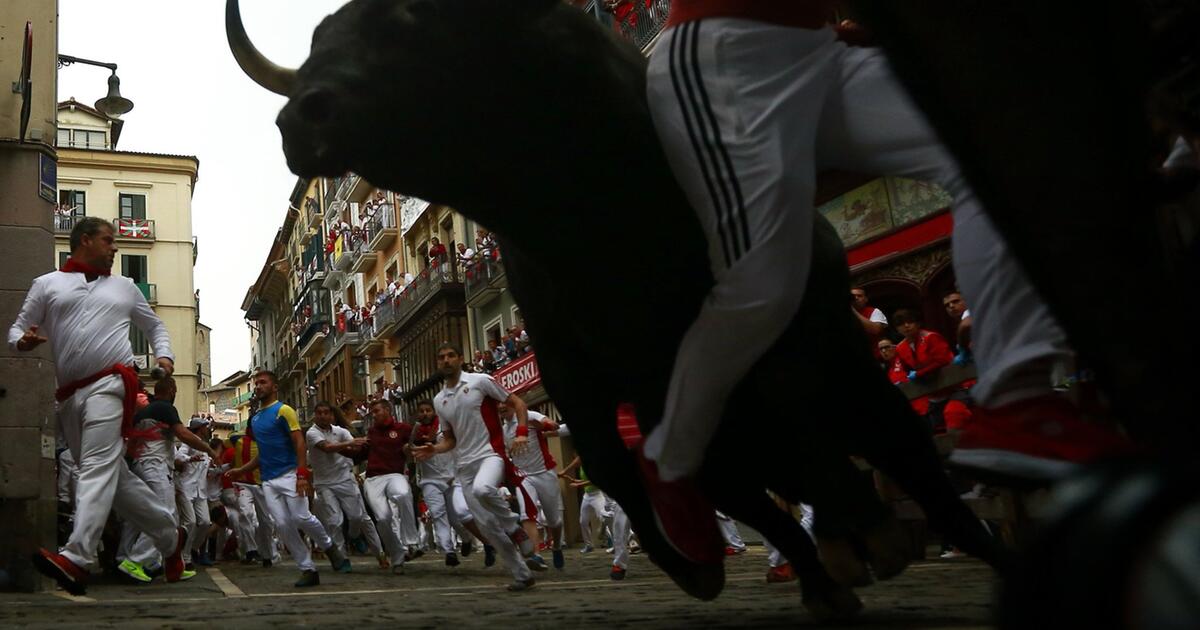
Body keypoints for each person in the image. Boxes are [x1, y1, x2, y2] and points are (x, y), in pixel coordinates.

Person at [636, 1, 1122, 561]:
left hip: (817, 47)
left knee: (1002, 147)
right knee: (763, 287)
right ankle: (671, 457)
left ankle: (1018, 396)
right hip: (724, 58)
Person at [9, 217, 187, 594]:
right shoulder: (47, 284)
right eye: (108, 240)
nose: (115, 247)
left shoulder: (124, 287)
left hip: (111, 384)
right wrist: (21, 341)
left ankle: (77, 557)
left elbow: (154, 326)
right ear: (85, 240)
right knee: (116, 480)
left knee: (94, 466)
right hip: (69, 395)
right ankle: (170, 539)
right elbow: (17, 327)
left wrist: (166, 357)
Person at [413, 343, 545, 591]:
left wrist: (522, 433)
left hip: (490, 455)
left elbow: (518, 403)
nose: (446, 360)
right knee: (487, 527)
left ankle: (514, 526)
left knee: (485, 489)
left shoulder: (480, 381)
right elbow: (450, 439)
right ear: (437, 363)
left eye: (451, 355)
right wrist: (434, 449)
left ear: (460, 359)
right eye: (441, 357)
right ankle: (522, 574)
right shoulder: (439, 400)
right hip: (463, 466)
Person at [225, 370, 349, 587]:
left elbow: (299, 443)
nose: (258, 386)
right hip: (269, 481)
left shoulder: (284, 411)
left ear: (274, 387)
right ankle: (307, 569)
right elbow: (263, 453)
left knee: (301, 517)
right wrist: (240, 470)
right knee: (282, 525)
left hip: (290, 474)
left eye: (263, 383)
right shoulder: (255, 419)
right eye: (257, 383)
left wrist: (301, 475)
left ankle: (329, 546)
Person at [116, 377, 214, 583]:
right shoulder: (164, 407)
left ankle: (154, 562)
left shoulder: (143, 413)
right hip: (156, 467)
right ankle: (137, 560)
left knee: (140, 516)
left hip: (141, 466)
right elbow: (183, 433)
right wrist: (208, 449)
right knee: (165, 516)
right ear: (171, 390)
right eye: (175, 390)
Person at [306, 401, 387, 568]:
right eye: (319, 413)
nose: (322, 416)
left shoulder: (341, 432)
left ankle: (372, 548)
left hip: (345, 479)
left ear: (331, 416)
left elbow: (356, 448)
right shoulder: (312, 433)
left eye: (326, 413)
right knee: (335, 521)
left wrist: (362, 447)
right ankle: (343, 559)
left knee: (359, 517)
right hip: (324, 483)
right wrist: (351, 444)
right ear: (315, 415)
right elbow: (327, 448)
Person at [410, 399, 478, 567]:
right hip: (429, 480)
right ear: (417, 414)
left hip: (451, 477)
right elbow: (410, 449)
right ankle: (448, 550)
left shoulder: (445, 427)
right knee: (438, 514)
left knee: (456, 518)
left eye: (428, 410)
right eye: (421, 411)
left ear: (434, 411)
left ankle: (467, 538)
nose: (425, 413)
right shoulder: (415, 431)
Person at [500, 402, 565, 569]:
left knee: (554, 520)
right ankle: (536, 555)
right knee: (526, 514)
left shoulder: (530, 415)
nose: (501, 406)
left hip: (544, 472)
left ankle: (556, 546)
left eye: (504, 403)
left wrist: (544, 425)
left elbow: (552, 425)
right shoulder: (504, 430)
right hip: (523, 476)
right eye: (498, 404)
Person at [358, 399, 420, 574]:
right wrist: (352, 445)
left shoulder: (403, 429)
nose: (374, 415)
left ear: (387, 410)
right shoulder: (371, 432)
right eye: (373, 412)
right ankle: (397, 556)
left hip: (395, 474)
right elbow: (360, 454)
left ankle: (411, 541)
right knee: (383, 518)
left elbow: (416, 445)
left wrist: (410, 449)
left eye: (377, 411)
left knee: (402, 494)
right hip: (373, 479)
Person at [175, 417, 215, 569]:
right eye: (206, 427)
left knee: (205, 522)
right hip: (186, 488)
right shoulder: (189, 443)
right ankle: (185, 558)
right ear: (200, 429)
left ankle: (193, 548)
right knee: (190, 522)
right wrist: (190, 459)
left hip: (201, 490)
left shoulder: (206, 447)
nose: (208, 430)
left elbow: (206, 469)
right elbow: (179, 456)